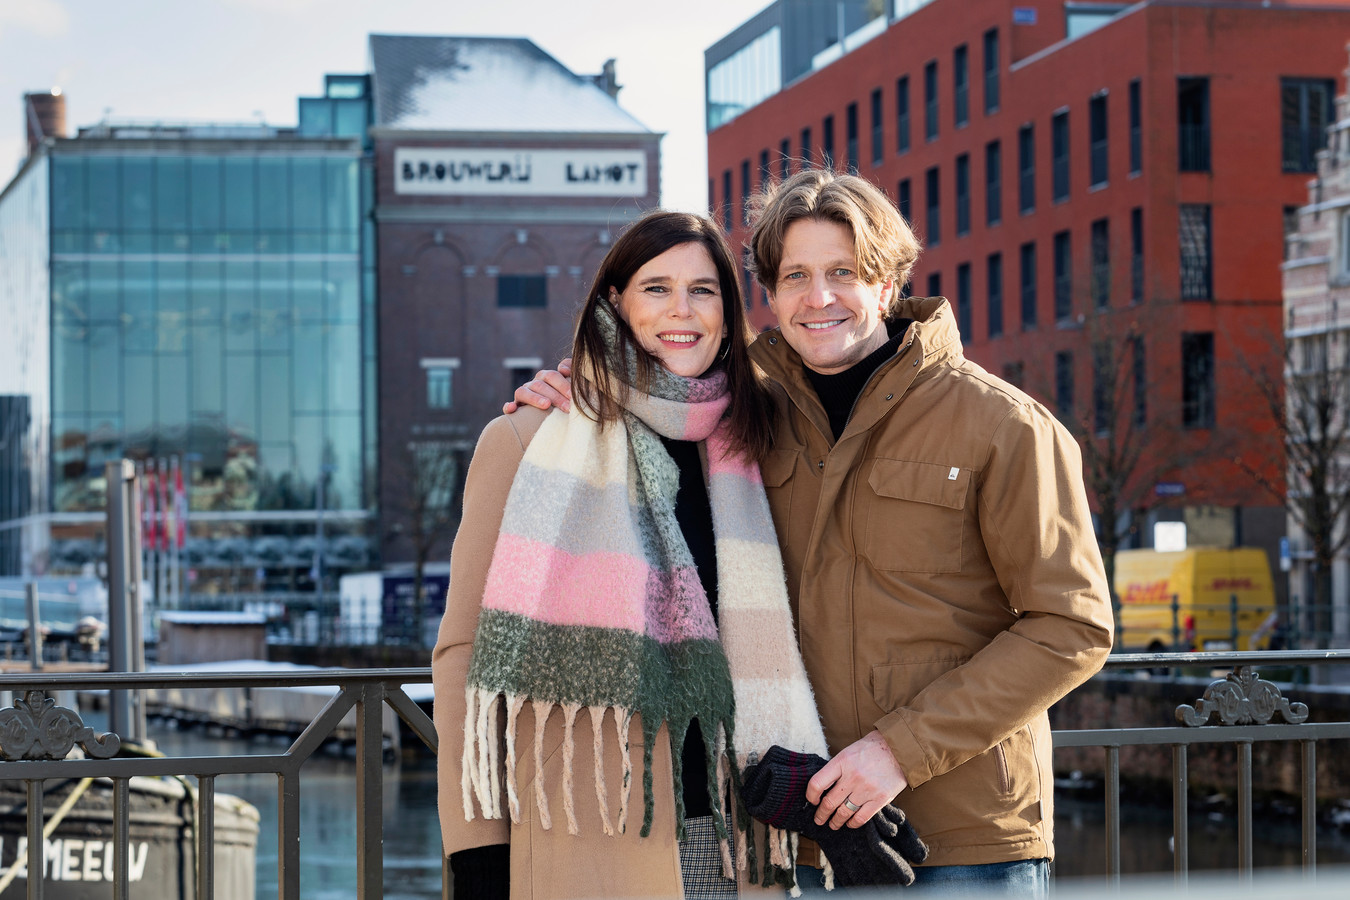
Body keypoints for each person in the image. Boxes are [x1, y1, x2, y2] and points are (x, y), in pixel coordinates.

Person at [509, 169, 1116, 895]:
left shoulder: (1003, 425)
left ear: (887, 284)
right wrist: (577, 390)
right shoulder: (744, 415)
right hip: (796, 836)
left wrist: (899, 751)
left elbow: (1071, 626)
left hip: (963, 837)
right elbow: (657, 384)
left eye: (843, 272)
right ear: (769, 292)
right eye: (795, 275)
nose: (818, 297)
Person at [432, 210, 834, 900]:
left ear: (727, 311)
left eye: (703, 290)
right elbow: (464, 656)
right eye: (656, 288)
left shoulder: (762, 439)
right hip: (587, 836)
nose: (682, 310)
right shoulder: (531, 441)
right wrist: (478, 855)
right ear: (616, 302)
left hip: (742, 838)